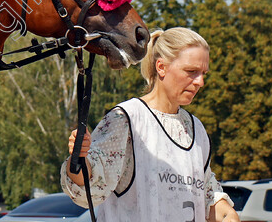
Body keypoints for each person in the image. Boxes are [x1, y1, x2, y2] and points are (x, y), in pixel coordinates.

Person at [61, 27, 240, 222]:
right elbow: (89, 185)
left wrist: (228, 214)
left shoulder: (195, 129)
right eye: (191, 71)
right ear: (161, 67)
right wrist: (79, 158)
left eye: (203, 73)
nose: (200, 82)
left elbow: (206, 196)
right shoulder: (127, 119)